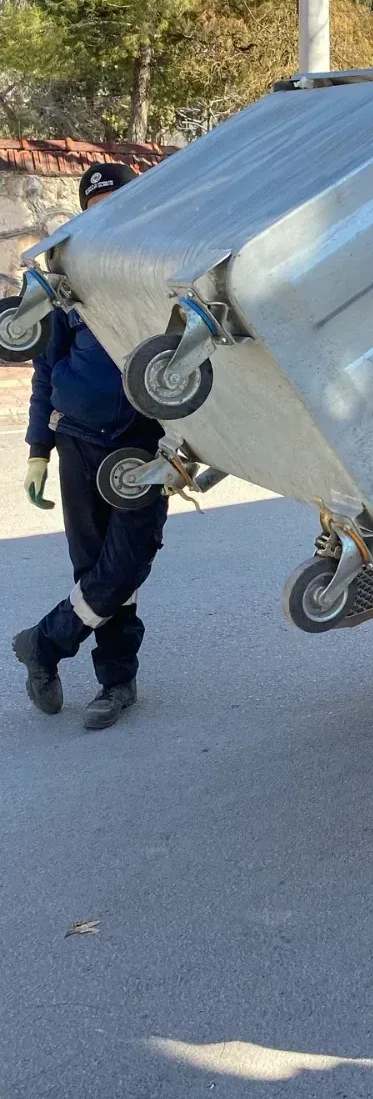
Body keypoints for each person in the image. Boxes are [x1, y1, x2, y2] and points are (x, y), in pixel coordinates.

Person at [12, 161, 169, 731]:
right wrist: (37, 451)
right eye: (96, 211)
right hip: (76, 439)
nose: (108, 222)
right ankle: (115, 683)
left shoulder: (161, 273)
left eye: (119, 207)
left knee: (126, 563)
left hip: (142, 445)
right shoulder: (65, 281)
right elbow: (44, 370)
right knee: (93, 569)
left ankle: (46, 643)